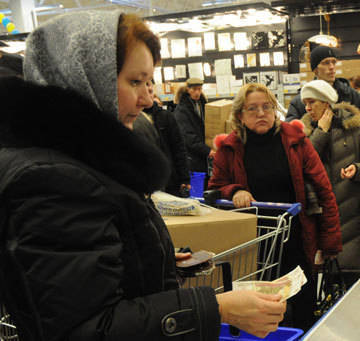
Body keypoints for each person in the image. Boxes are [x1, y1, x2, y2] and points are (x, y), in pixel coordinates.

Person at [0, 12, 286, 340]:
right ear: (86, 77)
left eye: (148, 82)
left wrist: (152, 259)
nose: (149, 98)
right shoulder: (54, 181)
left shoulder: (81, 162)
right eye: (135, 82)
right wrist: (216, 307)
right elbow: (85, 329)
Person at [208, 83, 341, 331]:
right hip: (255, 247)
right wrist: (235, 190)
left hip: (298, 241)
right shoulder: (228, 148)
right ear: (239, 115)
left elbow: (324, 191)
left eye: (266, 107)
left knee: (303, 308)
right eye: (252, 109)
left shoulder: (296, 141)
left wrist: (330, 242)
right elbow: (216, 187)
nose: (261, 113)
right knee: (262, 314)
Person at [299, 80, 360, 286]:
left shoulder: (354, 129)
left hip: (351, 221)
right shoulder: (305, 133)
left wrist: (358, 170)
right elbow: (303, 165)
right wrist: (321, 132)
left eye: (312, 102)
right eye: (305, 104)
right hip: (319, 220)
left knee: (352, 284)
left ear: (326, 103)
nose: (307, 108)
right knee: (323, 286)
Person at [285, 46, 360, 143]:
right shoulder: (300, 102)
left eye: (333, 62)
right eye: (326, 63)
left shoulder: (352, 96)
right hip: (316, 154)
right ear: (315, 69)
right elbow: (291, 137)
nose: (331, 67)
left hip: (350, 155)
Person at [133, 79, 191, 197]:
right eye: (143, 85)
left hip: (170, 181)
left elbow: (178, 148)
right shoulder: (133, 118)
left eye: (149, 84)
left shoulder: (166, 116)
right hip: (146, 181)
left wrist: (184, 178)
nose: (147, 89)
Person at [174, 77, 213, 173]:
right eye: (194, 89)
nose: (197, 92)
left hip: (205, 154)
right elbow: (188, 136)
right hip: (193, 158)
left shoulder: (203, 104)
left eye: (199, 89)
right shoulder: (181, 110)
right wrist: (207, 151)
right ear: (188, 89)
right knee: (198, 185)